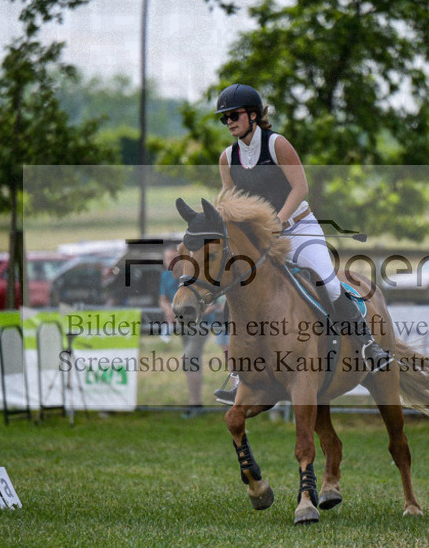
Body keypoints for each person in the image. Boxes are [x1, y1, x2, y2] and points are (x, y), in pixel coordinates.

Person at [211, 83, 392, 404]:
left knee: (328, 282)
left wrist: (278, 221)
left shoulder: (277, 144)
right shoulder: (227, 158)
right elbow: (232, 202)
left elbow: (300, 187)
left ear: (253, 115)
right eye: (224, 118)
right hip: (261, 239)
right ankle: (241, 372)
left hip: (298, 227)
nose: (228, 122)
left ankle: (368, 346)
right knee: (238, 290)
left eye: (233, 115)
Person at [159, 245, 219, 417]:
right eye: (167, 258)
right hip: (182, 325)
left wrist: (200, 309)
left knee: (189, 359)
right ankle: (195, 402)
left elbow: (211, 297)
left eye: (173, 257)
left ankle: (196, 405)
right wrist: (167, 308)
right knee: (192, 362)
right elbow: (162, 299)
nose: (170, 261)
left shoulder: (193, 272)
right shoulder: (165, 276)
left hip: (201, 323)